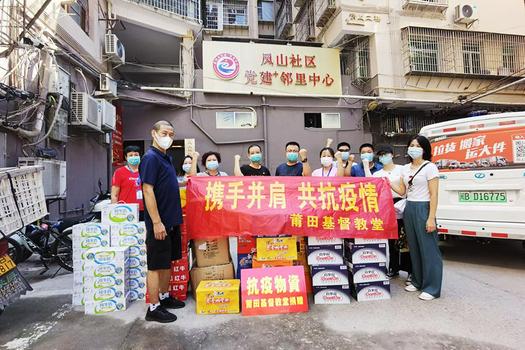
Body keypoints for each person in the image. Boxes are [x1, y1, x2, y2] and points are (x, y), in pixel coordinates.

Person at [140, 120, 185, 323]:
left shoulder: (166, 158)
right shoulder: (150, 158)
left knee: (167, 262)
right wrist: (157, 222)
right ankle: (154, 307)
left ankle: (165, 297)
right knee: (156, 264)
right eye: (165, 132)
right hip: (159, 223)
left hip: (172, 221)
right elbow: (147, 190)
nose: (168, 136)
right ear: (154, 133)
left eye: (171, 134)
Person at [391, 135, 442, 301]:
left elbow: (434, 194)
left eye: (418, 145)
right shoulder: (405, 168)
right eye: (411, 145)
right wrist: (387, 182)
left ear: (425, 149)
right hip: (409, 207)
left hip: (423, 207)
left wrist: (431, 218)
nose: (414, 148)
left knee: (429, 249)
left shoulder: (430, 167)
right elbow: (401, 190)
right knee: (414, 247)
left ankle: (432, 288)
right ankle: (418, 281)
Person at [369, 144, 411, 278]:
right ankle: (393, 267)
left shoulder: (402, 169)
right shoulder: (377, 174)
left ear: (392, 154)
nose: (384, 157)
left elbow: (405, 188)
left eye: (386, 154)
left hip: (402, 204)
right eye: (381, 155)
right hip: (386, 207)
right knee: (391, 240)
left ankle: (410, 270)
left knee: (405, 240)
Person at [111, 145, 144, 221]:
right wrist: (114, 211)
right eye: (130, 155)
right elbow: (114, 195)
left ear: (140, 156)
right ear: (126, 157)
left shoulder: (146, 171)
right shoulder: (119, 172)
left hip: (144, 210)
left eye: (136, 155)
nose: (133, 157)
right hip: (125, 210)